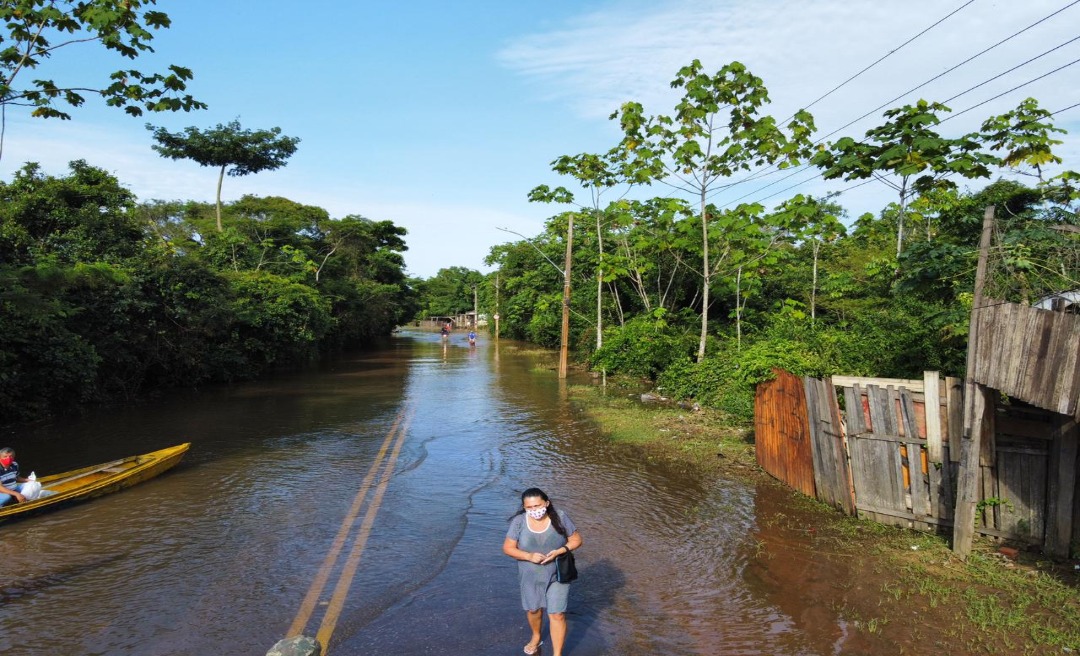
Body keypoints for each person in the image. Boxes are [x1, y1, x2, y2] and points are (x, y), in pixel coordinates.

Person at [503, 487, 582, 656]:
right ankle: (536, 636)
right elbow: (508, 548)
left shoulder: (560, 517)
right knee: (533, 609)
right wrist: (529, 556)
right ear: (524, 507)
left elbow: (576, 540)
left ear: (546, 503)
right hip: (529, 575)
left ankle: (557, 654)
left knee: (557, 614)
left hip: (557, 573)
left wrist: (560, 551)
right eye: (529, 507)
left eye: (537, 505)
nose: (534, 510)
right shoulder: (519, 521)